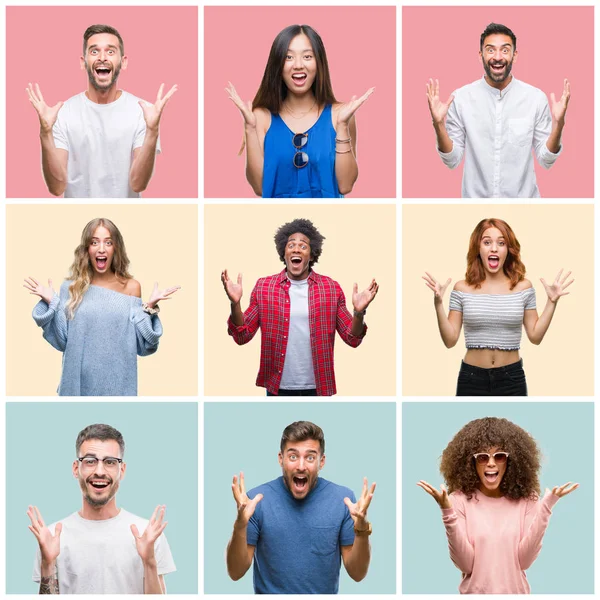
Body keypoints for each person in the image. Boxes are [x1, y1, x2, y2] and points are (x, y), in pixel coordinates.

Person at [417, 417, 578, 594]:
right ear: (471, 462)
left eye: (499, 456)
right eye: (482, 457)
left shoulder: (527, 499)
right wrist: (447, 512)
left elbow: (524, 561)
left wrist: (546, 507)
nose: (491, 463)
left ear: (511, 461)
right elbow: (465, 564)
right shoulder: (459, 500)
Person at [221, 218, 378, 396]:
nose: (296, 249)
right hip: (277, 388)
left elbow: (352, 338)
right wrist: (235, 304)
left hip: (319, 387)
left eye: (303, 246)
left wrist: (359, 313)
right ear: (284, 252)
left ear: (311, 255)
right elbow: (242, 335)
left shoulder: (331, 288)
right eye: (291, 245)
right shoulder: (264, 287)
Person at [24, 217, 180, 396]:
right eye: (94, 242)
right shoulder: (71, 288)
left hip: (119, 387)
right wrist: (52, 302)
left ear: (116, 248)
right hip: (76, 388)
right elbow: (62, 341)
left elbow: (143, 346)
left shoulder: (131, 287)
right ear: (87, 249)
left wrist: (149, 308)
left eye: (108, 242)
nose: (101, 248)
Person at [423, 218, 573, 396]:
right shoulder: (461, 288)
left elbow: (535, 336)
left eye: (501, 243)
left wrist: (552, 302)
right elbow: (450, 341)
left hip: (512, 378)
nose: (494, 248)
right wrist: (438, 304)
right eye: (487, 242)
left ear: (508, 250)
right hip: (471, 378)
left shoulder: (523, 287)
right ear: (478, 248)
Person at [26, 24, 177, 198]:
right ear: (83, 62)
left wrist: (153, 130)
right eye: (94, 51)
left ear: (123, 61)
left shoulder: (142, 113)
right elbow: (57, 188)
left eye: (111, 51)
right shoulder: (63, 113)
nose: (103, 58)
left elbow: (138, 183)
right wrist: (45, 133)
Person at [226, 421, 375, 593]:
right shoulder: (255, 501)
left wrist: (362, 531)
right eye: (293, 456)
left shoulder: (343, 500)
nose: (301, 466)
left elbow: (357, 574)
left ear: (322, 461)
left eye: (310, 457)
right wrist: (239, 526)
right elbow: (235, 572)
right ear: (281, 459)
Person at [226, 24, 374, 198]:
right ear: (278, 65)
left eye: (307, 56)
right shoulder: (261, 118)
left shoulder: (340, 114)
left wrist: (342, 125)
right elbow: (260, 188)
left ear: (319, 63)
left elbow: (346, 185)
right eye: (288, 57)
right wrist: (249, 129)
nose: (298, 65)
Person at [27, 424, 175, 594]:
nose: (99, 471)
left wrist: (149, 561)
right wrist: (47, 564)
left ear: (122, 470)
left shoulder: (147, 534)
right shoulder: (52, 538)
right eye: (90, 461)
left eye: (110, 462)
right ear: (76, 469)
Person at [426, 23, 570, 198]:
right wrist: (438, 124)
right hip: (475, 205)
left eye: (505, 50)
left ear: (514, 56)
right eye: (490, 50)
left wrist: (559, 125)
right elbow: (452, 160)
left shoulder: (535, 98)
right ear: (481, 55)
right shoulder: (461, 98)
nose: (498, 57)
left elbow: (546, 160)